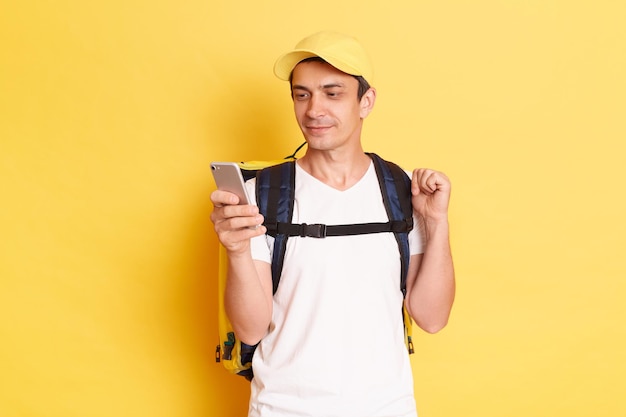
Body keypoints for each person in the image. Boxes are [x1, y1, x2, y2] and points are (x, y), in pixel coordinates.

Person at [211, 31, 455, 417]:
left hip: (386, 407)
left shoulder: (404, 191)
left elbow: (432, 317)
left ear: (366, 101)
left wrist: (436, 222)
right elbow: (251, 330)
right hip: (282, 408)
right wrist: (238, 250)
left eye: (333, 93)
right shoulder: (262, 194)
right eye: (302, 94)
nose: (313, 110)